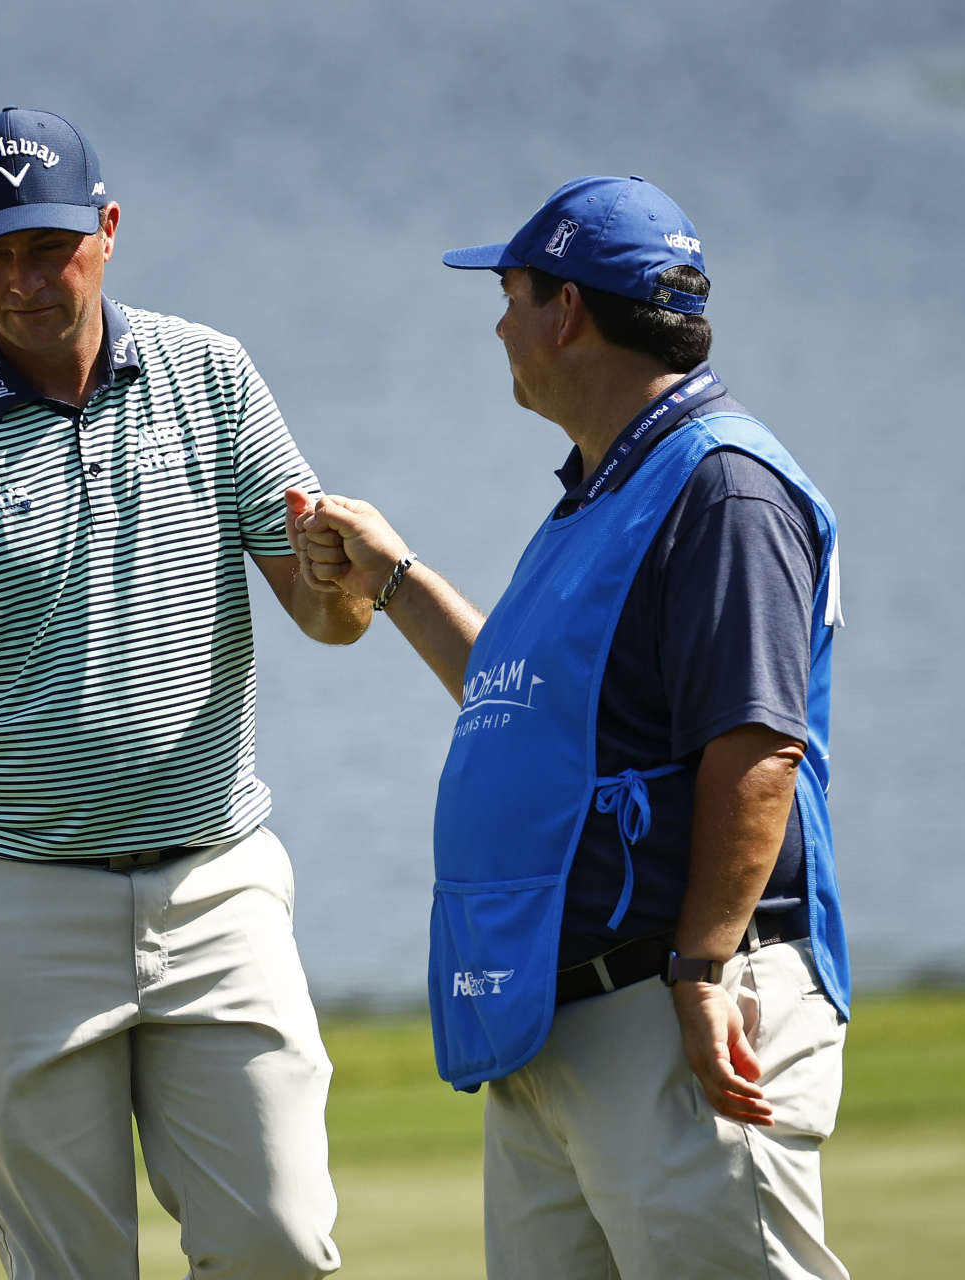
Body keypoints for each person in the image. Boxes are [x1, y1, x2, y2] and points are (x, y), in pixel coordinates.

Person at [0, 107, 368, 1280]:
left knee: (285, 1242)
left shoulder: (213, 377)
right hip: (5, 902)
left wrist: (339, 586)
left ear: (106, 230)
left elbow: (324, 614)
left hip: (213, 878)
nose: (24, 279)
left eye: (48, 247)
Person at [301, 176, 851, 1279]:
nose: (498, 323)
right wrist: (399, 581)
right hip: (561, 1021)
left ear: (566, 310)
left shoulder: (723, 487)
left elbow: (758, 745)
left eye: (508, 293)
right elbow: (530, 711)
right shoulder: (607, 490)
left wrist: (700, 971)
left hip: (676, 1007)